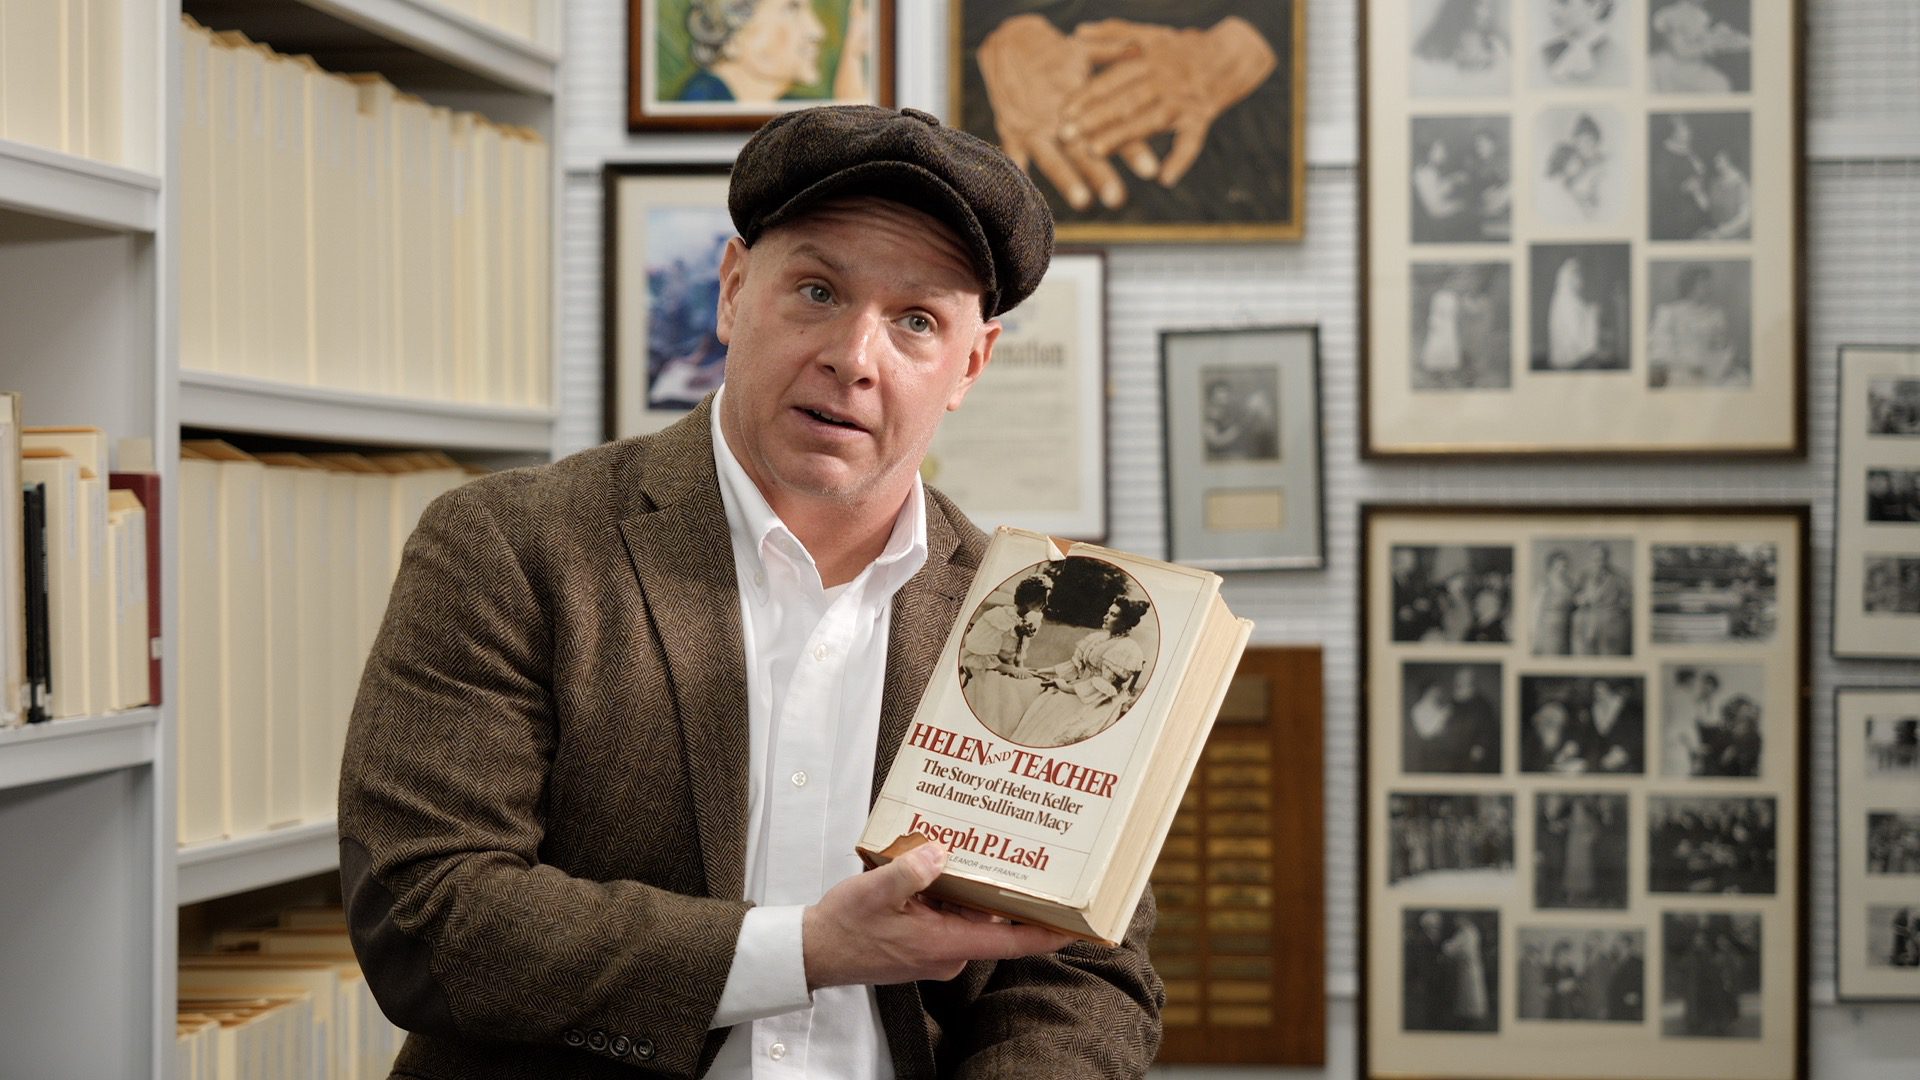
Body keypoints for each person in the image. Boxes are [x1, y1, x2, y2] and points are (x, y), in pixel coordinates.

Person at [338, 105, 1162, 1078]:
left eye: (916, 322)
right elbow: (427, 917)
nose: (854, 358)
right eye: (817, 290)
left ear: (968, 367)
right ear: (733, 292)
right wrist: (808, 949)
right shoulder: (511, 548)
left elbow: (1082, 972)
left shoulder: (1033, 619)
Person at [1011, 598, 1151, 747]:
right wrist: (1037, 671)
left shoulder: (1127, 649)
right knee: (1040, 695)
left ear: (1125, 622)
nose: (1105, 617)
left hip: (1096, 701)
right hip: (1078, 690)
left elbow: (1102, 688)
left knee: (1055, 708)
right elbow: (1074, 666)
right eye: (1108, 612)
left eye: (1113, 615)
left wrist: (1063, 686)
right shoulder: (1098, 638)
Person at [678, 0, 871, 105]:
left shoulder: (790, 109)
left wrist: (852, 57)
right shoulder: (699, 102)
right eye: (791, 9)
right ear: (733, 39)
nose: (816, 31)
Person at [959, 575, 1051, 735]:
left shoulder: (1033, 618)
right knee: (1012, 694)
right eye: (1043, 599)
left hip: (1007, 670)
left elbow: (1019, 652)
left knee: (1037, 685)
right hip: (984, 671)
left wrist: (1021, 670)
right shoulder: (998, 617)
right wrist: (1013, 671)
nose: (1046, 604)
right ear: (1030, 598)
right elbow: (978, 656)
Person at [1649, 264, 1739, 387]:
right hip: (1679, 371)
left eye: (1709, 284)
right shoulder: (1668, 312)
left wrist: (1715, 365)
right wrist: (1689, 365)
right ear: (1689, 285)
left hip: (1712, 371)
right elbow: (1661, 348)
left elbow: (1722, 347)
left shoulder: (1716, 314)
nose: (1709, 288)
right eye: (1703, 284)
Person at [1650, 0, 1750, 93]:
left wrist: (1729, 40)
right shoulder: (1669, 15)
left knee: (1720, 85)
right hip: (1670, 67)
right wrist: (1711, 45)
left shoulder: (1703, 15)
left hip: (1696, 69)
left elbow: (1734, 39)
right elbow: (1681, 50)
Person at [1412, 0, 1510, 95]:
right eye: (1480, 5)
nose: (1487, 13)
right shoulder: (1437, 45)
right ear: (1463, 8)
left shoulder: (1495, 46)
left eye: (1487, 7)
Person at [1651, 115, 1712, 240]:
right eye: (1682, 129)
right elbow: (1661, 185)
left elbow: (1702, 173)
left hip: (1698, 209)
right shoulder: (1664, 155)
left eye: (1687, 128)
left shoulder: (1690, 151)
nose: (1688, 132)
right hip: (1676, 214)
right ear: (1673, 133)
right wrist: (1684, 187)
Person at [1539, 0, 1621, 84]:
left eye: (1563, 2)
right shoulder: (1546, 53)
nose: (1552, 10)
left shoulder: (1614, 56)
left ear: (1595, 6)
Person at [1544, 257, 1602, 370]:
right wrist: (1592, 313)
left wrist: (1591, 310)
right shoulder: (1565, 299)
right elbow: (1574, 327)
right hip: (1571, 352)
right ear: (1570, 279)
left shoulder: (1570, 297)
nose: (1581, 281)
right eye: (1578, 277)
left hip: (1573, 347)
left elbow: (1581, 311)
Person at [1573, 543, 1630, 655]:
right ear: (1591, 558)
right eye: (1595, 557)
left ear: (1607, 558)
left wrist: (1616, 609)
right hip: (1588, 626)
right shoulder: (1583, 576)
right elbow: (1576, 598)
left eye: (1602, 557)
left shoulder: (1619, 577)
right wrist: (1582, 599)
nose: (1599, 560)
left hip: (1611, 626)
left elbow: (1627, 600)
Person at [1444, 915, 1491, 1029]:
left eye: (1457, 920)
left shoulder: (1466, 932)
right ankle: (1471, 1012)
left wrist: (1447, 947)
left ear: (1463, 920)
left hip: (1468, 965)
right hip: (1470, 965)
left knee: (1469, 990)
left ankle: (1471, 1014)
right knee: (1470, 990)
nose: (1456, 923)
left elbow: (1454, 948)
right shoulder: (1471, 931)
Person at [1533, 550, 1576, 654]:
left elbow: (1571, 603)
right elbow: (1536, 609)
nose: (1562, 568)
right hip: (1550, 629)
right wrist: (1535, 636)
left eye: (1565, 565)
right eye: (1559, 565)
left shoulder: (1568, 583)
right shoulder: (1545, 583)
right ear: (1552, 565)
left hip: (1566, 627)